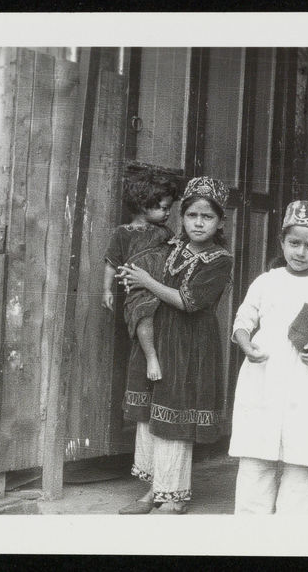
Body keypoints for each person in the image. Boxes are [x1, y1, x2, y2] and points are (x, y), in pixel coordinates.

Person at [116, 176, 233, 515]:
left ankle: (176, 494)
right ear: (182, 217)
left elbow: (187, 300)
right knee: (153, 414)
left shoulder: (219, 259)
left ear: (220, 222)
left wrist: (147, 282)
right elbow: (142, 273)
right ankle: (156, 488)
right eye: (192, 215)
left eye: (207, 217)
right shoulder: (170, 249)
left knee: (175, 415)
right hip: (162, 338)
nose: (199, 223)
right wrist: (133, 277)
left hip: (191, 343)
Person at [229, 200, 308, 514]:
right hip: (265, 373)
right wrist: (246, 345)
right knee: (257, 455)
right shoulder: (267, 281)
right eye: (294, 243)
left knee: (301, 458)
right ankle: (251, 529)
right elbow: (242, 322)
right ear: (282, 242)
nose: (301, 252)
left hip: (305, 378)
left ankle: (294, 534)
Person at [102, 169, 179, 381]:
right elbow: (111, 262)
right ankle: (151, 356)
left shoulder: (165, 232)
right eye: (164, 208)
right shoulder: (123, 233)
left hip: (161, 285)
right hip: (140, 289)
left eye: (169, 208)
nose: (168, 213)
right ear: (145, 205)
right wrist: (106, 290)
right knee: (143, 315)